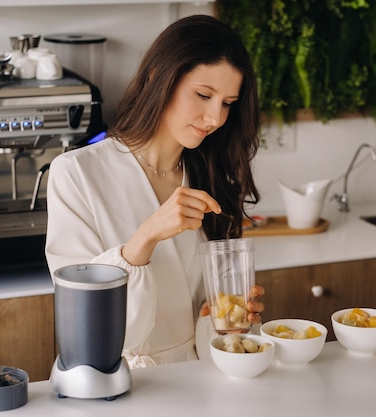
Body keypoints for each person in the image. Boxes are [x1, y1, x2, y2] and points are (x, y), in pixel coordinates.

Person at [45, 14, 264, 368]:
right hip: (112, 384)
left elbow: (203, 324)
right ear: (157, 78)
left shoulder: (211, 176)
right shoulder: (76, 173)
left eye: (227, 103)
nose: (214, 118)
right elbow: (86, 329)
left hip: (195, 379)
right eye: (203, 95)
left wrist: (224, 320)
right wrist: (145, 238)